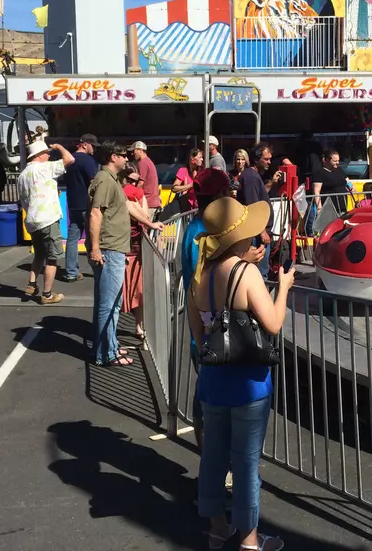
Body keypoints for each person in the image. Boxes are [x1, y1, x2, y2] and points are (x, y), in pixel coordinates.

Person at [188, 196, 293, 551]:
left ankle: (217, 528)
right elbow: (274, 324)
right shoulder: (246, 273)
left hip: (212, 383)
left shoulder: (200, 278)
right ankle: (249, 539)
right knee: (246, 465)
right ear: (240, 238)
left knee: (213, 457)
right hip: (248, 385)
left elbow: (200, 336)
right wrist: (285, 288)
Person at [181, 169, 260, 463]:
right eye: (228, 192)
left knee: (214, 400)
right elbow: (206, 277)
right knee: (210, 403)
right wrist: (243, 262)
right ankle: (212, 466)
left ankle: (214, 467)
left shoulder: (201, 228)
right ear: (218, 197)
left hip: (214, 334)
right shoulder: (198, 233)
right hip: (210, 335)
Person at [87, 142, 134, 366]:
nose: (127, 158)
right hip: (109, 248)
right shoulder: (105, 180)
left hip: (111, 247)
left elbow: (126, 207)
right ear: (113, 157)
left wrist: (150, 224)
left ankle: (108, 347)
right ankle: (108, 353)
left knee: (109, 303)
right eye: (124, 155)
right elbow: (96, 213)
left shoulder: (110, 179)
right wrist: (96, 248)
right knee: (109, 303)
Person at [18, 139, 75, 305]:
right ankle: (47, 294)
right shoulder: (44, 168)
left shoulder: (23, 175)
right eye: (47, 153)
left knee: (39, 254)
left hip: (32, 219)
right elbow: (70, 159)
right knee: (52, 257)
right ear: (39, 155)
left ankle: (31, 284)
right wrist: (59, 147)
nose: (49, 156)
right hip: (48, 218)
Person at [119, 165, 165, 341]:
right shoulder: (131, 194)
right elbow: (145, 217)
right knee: (128, 291)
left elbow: (144, 217)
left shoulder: (133, 194)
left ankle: (138, 326)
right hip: (125, 247)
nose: (132, 184)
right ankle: (135, 327)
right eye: (129, 180)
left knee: (136, 290)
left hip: (134, 248)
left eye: (135, 181)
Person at [60, 134, 100, 283]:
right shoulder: (88, 161)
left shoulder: (69, 160)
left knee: (72, 238)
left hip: (73, 203)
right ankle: (98, 269)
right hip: (87, 204)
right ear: (84, 144)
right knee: (93, 237)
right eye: (93, 146)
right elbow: (94, 183)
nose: (94, 149)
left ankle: (71, 272)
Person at [237, 144, 279, 279]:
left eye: (269, 159)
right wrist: (262, 232)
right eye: (266, 159)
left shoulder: (253, 176)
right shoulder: (250, 177)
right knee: (260, 273)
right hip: (256, 234)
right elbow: (252, 205)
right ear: (256, 159)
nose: (269, 162)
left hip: (258, 232)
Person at [310, 149, 351, 232]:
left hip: (342, 207)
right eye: (335, 161)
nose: (337, 163)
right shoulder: (320, 173)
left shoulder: (339, 170)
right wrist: (319, 208)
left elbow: (347, 181)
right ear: (326, 160)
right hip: (328, 208)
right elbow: (316, 191)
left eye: (338, 161)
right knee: (329, 230)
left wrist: (351, 187)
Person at [131, 141, 161, 217]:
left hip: (148, 203)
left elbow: (141, 182)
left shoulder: (143, 162)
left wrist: (132, 196)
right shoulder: (148, 161)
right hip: (152, 202)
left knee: (145, 227)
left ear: (140, 150)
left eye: (133, 151)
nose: (132, 153)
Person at [172, 148, 204, 212]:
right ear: (192, 159)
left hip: (199, 208)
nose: (202, 159)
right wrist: (190, 185)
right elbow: (174, 188)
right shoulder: (183, 170)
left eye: (202, 157)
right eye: (200, 157)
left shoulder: (203, 171)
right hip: (186, 210)